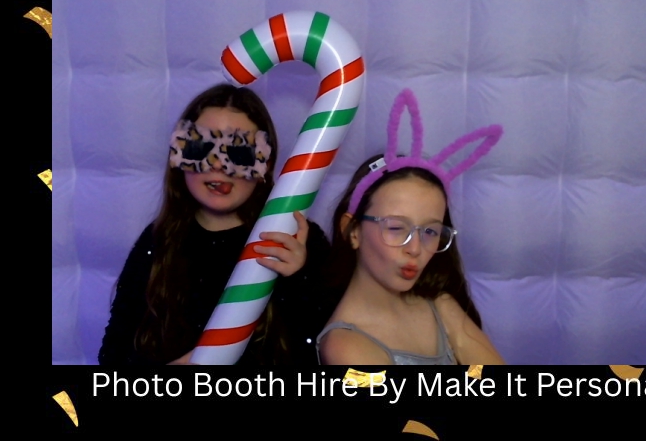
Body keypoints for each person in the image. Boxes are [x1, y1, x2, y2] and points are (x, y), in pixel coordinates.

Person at [99, 83, 331, 365]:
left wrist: (299, 280)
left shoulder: (295, 241)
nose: (219, 165)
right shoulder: (159, 240)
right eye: (201, 147)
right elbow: (114, 352)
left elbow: (329, 351)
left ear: (265, 163)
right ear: (179, 154)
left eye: (239, 152)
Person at [317, 89, 505, 365]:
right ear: (352, 230)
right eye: (396, 228)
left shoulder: (440, 305)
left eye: (430, 231)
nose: (415, 249)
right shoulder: (344, 347)